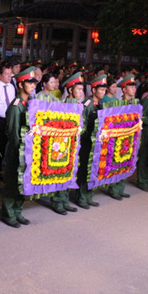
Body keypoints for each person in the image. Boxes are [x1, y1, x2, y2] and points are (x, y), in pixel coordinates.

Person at [1, 66, 39, 227]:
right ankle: (8, 214)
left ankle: (18, 211)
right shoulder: (16, 106)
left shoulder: (30, 103)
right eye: (29, 83)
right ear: (21, 85)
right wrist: (22, 151)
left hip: (28, 151)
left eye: (34, 83)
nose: (33, 86)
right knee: (11, 183)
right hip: (15, 151)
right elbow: (12, 133)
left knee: (23, 182)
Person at [50, 72, 85, 215]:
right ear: (70, 90)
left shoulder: (79, 105)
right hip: (63, 143)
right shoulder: (62, 105)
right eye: (78, 89)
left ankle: (65, 200)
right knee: (60, 171)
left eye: (82, 90)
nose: (81, 93)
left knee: (71, 171)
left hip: (74, 143)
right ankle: (57, 201)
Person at [72, 74, 107, 209]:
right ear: (93, 90)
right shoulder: (87, 105)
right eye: (101, 90)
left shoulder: (101, 104)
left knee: (94, 168)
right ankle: (81, 197)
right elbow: (82, 126)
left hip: (97, 143)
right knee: (84, 169)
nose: (103, 92)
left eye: (105, 90)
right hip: (87, 143)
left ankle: (89, 195)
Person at [106, 74, 138, 200]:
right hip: (119, 137)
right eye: (130, 87)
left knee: (127, 161)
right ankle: (114, 189)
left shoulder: (135, 103)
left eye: (134, 86)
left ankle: (121, 188)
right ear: (124, 89)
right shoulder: (118, 103)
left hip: (130, 137)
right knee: (117, 162)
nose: (134, 89)